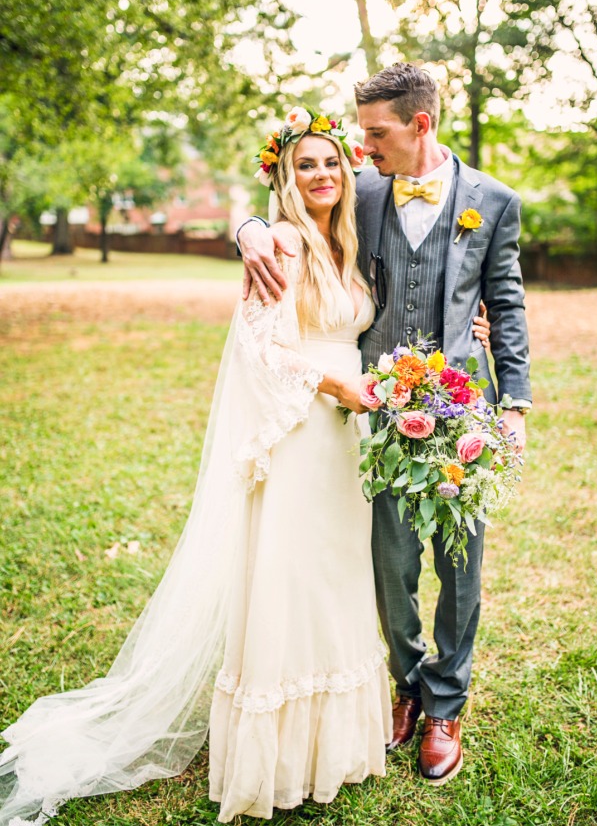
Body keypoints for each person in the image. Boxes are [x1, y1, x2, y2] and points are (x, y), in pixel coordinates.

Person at [0, 107, 489, 826]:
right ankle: (278, 755)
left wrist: (469, 324)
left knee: (335, 578)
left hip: (346, 438)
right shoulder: (282, 244)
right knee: (289, 580)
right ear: (284, 179)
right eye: (305, 166)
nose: (321, 175)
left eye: (331, 163)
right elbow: (258, 347)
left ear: (347, 170)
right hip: (300, 429)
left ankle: (336, 743)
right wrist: (335, 383)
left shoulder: (344, 241)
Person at [237, 63, 532, 786]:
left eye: (374, 133)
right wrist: (244, 228)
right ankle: (405, 682)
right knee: (390, 559)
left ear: (419, 124)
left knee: (459, 566)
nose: (361, 148)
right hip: (372, 407)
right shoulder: (360, 190)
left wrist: (515, 403)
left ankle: (446, 706)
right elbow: (286, 207)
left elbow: (507, 301)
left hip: (462, 407)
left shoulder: (492, 201)